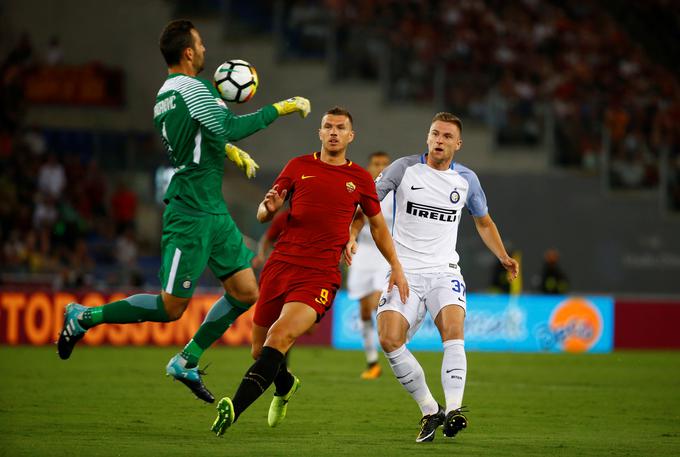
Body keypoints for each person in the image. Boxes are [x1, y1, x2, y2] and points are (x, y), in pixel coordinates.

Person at [57, 19, 312, 404]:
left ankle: (187, 359)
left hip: (213, 208)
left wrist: (227, 152)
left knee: (245, 292)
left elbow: (196, 135)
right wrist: (281, 108)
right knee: (170, 307)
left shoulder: (167, 94)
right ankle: (84, 317)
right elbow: (230, 127)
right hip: (190, 211)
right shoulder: (193, 89)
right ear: (188, 52)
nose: (206, 49)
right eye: (201, 44)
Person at [210, 106, 409, 435]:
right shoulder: (297, 166)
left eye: (340, 127)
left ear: (350, 136)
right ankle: (285, 386)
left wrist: (396, 266)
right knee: (260, 351)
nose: (333, 132)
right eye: (327, 126)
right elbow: (265, 210)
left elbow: (377, 227)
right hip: (279, 267)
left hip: (318, 274)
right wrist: (267, 208)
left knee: (279, 336)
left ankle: (233, 409)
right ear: (319, 132)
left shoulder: (359, 178)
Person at [346, 112, 518, 443]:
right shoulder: (403, 168)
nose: (439, 140)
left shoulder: (467, 179)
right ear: (428, 138)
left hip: (444, 271)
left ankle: (454, 410)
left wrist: (503, 256)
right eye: (434, 134)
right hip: (404, 270)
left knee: (453, 331)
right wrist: (352, 233)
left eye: (446, 136)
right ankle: (429, 408)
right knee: (389, 339)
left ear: (458, 143)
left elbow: (484, 222)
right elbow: (367, 205)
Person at [346, 151, 392, 379]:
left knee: (376, 304)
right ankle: (372, 362)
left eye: (385, 164)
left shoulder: (396, 194)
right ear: (369, 166)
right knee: (364, 311)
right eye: (376, 164)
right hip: (361, 255)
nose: (381, 167)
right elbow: (354, 219)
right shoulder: (359, 189)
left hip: (384, 255)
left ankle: (396, 350)